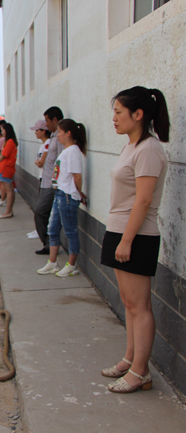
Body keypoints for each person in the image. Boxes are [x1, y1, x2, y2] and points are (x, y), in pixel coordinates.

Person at [100, 87, 169, 394]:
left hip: (136, 234)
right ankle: (130, 358)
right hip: (120, 230)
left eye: (118, 112)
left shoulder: (149, 149)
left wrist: (126, 241)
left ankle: (141, 372)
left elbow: (142, 201)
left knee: (140, 306)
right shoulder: (132, 146)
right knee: (128, 303)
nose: (113, 118)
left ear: (138, 114)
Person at [37, 118, 88, 278]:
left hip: (67, 196)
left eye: (59, 132)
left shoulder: (73, 151)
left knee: (70, 231)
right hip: (59, 194)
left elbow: (77, 177)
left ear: (68, 133)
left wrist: (78, 193)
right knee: (53, 230)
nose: (57, 135)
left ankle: (71, 265)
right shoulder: (66, 151)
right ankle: (52, 263)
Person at [34, 106, 64, 255]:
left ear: (55, 120)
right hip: (45, 181)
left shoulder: (60, 137)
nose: (46, 125)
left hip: (52, 184)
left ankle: (50, 244)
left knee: (40, 211)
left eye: (47, 121)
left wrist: (57, 183)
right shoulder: (53, 136)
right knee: (42, 213)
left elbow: (61, 161)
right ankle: (48, 244)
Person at [0, 123, 18, 219]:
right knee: (6, 188)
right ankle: (8, 210)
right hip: (3, 167)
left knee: (9, 189)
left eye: (3, 130)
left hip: (6, 168)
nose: (2, 132)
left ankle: (8, 211)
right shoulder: (7, 141)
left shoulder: (10, 142)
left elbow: (4, 155)